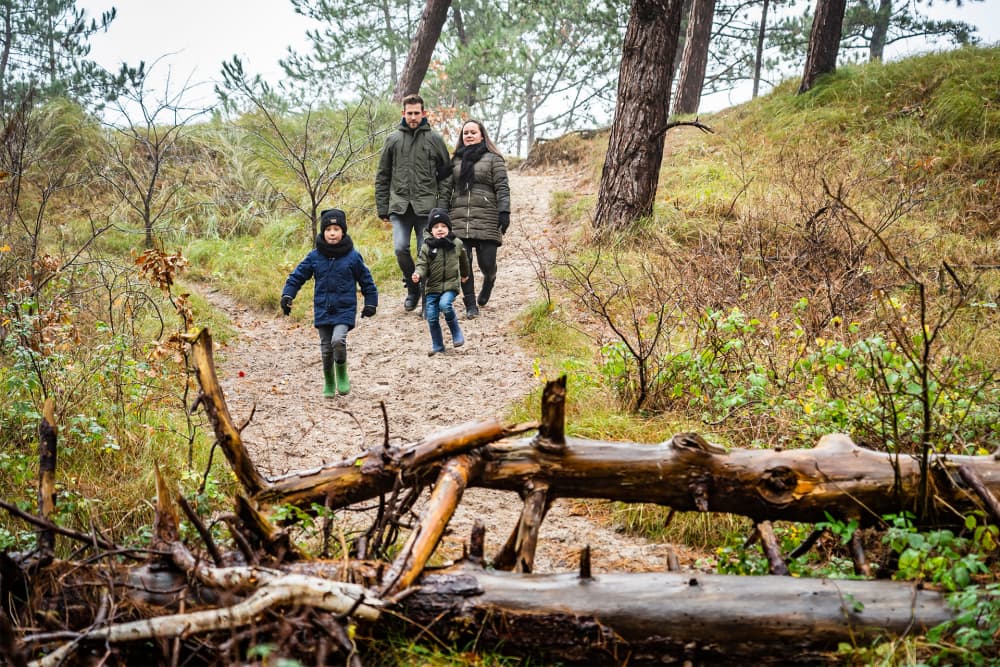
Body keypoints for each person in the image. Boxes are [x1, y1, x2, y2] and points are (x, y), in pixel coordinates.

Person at [280, 208, 378, 397]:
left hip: (344, 308)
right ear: (323, 232)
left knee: (338, 340)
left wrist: (371, 303)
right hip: (323, 308)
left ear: (343, 232)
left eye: (336, 229)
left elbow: (367, 280)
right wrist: (288, 295)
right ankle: (329, 381)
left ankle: (341, 373)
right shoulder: (314, 256)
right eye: (328, 230)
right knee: (326, 349)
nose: (332, 233)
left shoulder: (353, 256)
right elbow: (297, 276)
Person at [375, 93, 451, 313]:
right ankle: (413, 288)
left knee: (425, 253)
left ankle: (428, 300)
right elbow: (383, 175)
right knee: (400, 249)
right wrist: (382, 207)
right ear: (403, 114)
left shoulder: (434, 139)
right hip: (399, 206)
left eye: (417, 113)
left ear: (424, 113)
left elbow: (446, 174)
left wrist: (442, 206)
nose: (413, 117)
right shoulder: (393, 139)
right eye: (410, 113)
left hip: (427, 209)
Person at [440, 119, 511, 319]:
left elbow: (502, 188)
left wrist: (504, 212)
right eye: (465, 133)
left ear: (482, 135)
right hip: (459, 218)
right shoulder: (454, 161)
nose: (469, 135)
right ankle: (470, 303)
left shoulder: (494, 159)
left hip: (487, 217)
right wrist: (440, 217)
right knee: (464, 262)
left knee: (486, 263)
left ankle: (490, 279)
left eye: (473, 132)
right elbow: (445, 191)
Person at [411, 208, 470, 356]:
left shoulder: (456, 243)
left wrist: (465, 274)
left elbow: (463, 260)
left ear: (449, 228)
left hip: (451, 284)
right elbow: (422, 264)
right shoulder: (427, 247)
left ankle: (456, 333)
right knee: (431, 317)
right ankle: (438, 345)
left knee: (445, 305)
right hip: (432, 287)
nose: (440, 230)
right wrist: (418, 273)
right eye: (436, 227)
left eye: (443, 226)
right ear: (431, 230)